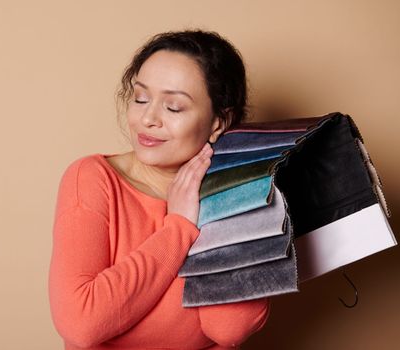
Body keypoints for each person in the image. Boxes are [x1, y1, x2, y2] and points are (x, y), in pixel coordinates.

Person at [48, 29, 270, 350]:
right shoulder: (94, 178)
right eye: (140, 98)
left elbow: (228, 328)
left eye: (174, 107)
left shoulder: (234, 196)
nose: (148, 118)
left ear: (218, 123)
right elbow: (80, 324)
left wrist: (233, 203)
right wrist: (178, 229)